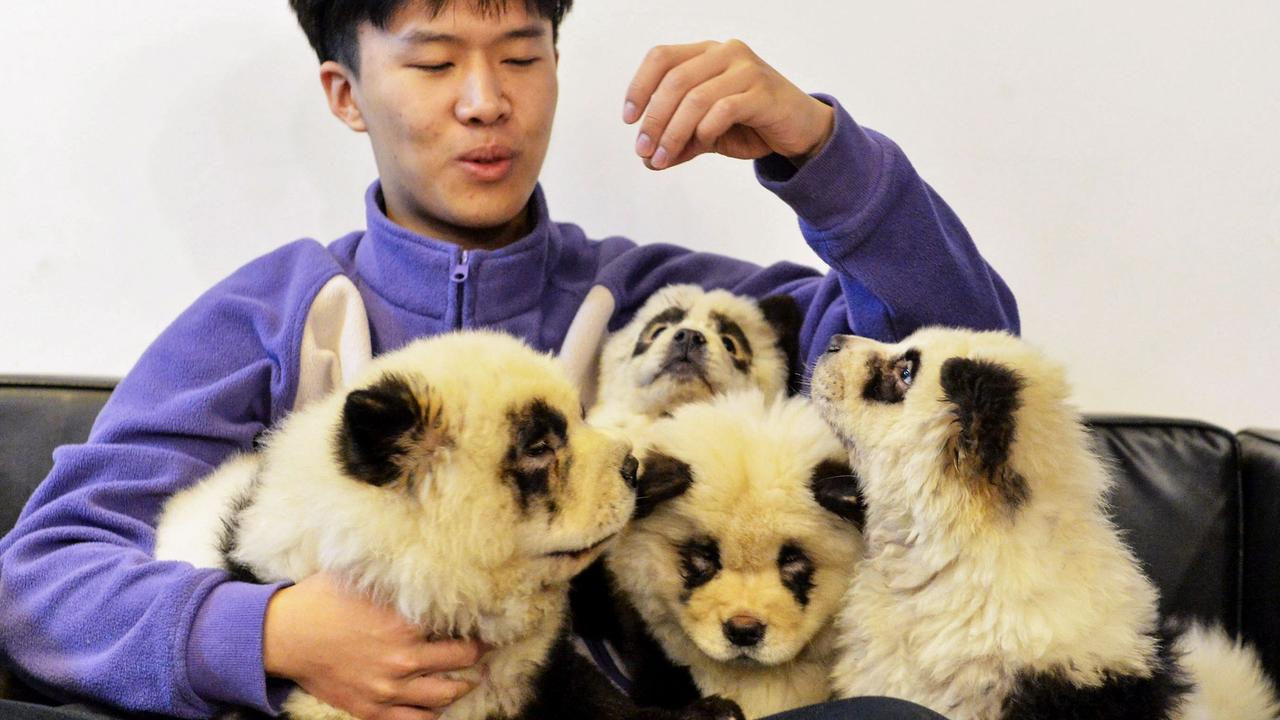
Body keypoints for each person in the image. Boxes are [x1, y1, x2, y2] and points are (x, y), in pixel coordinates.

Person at [0, 1, 1017, 718]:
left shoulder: (668, 317)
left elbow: (966, 376)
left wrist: (824, 157)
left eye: (522, 56)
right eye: (433, 62)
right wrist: (267, 633)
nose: (485, 100)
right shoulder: (275, 316)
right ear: (344, 92)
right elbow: (39, 582)